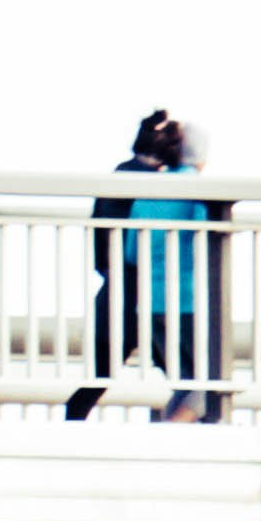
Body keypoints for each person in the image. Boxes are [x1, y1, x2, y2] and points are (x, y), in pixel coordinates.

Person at [70, 108, 212, 421]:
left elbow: (124, 248)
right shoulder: (182, 187)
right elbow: (204, 242)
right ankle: (170, 434)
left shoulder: (130, 181)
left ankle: (71, 428)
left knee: (100, 378)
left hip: (125, 294)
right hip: (169, 299)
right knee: (200, 386)